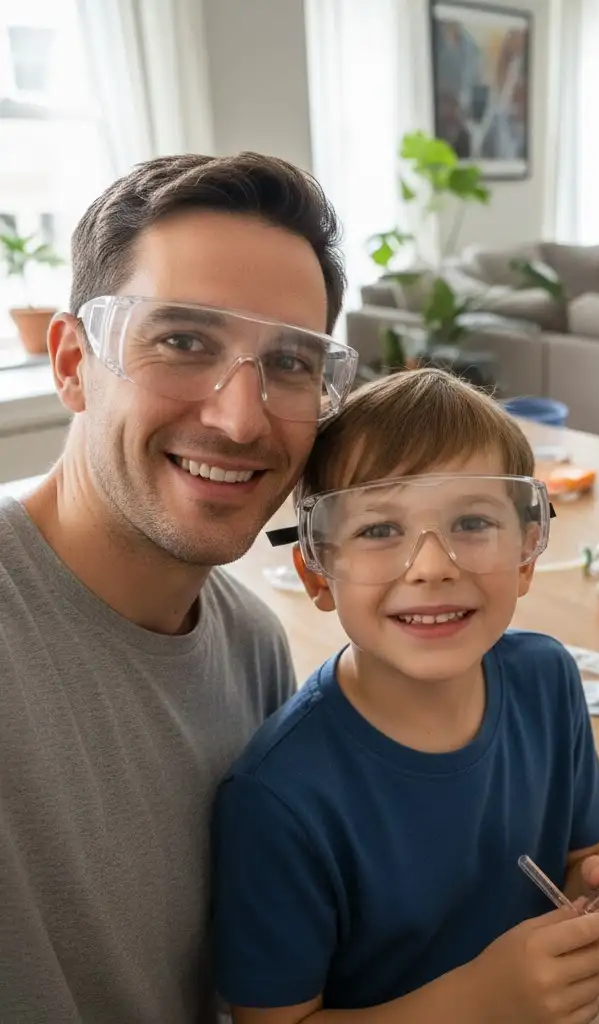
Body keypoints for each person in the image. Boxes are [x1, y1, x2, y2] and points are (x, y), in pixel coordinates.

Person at [0, 152, 357, 1023]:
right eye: (183, 341)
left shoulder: (252, 646)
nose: (240, 418)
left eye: (291, 363)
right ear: (74, 362)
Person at [211, 369, 599, 1023]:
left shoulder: (547, 680)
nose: (432, 565)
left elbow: (583, 864)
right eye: (380, 530)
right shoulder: (277, 798)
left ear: (525, 557)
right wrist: (479, 1004)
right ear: (318, 572)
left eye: (471, 522)